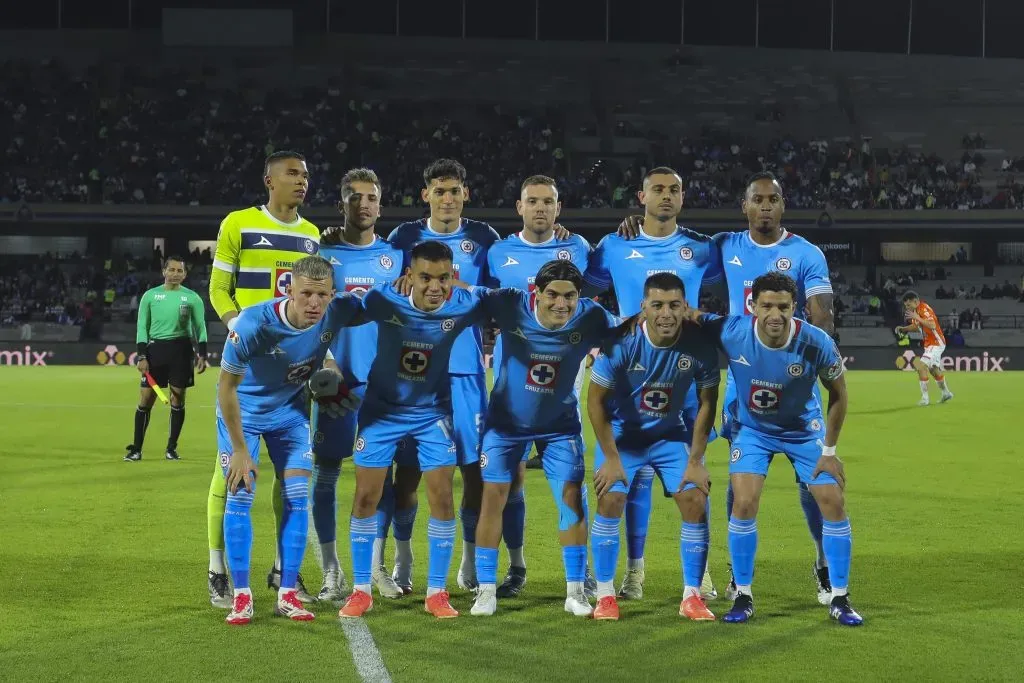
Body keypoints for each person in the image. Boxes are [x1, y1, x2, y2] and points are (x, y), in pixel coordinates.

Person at [584, 166, 721, 601]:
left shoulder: (702, 248)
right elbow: (585, 288)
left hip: (685, 370)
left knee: (694, 478)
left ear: (683, 197)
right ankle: (633, 572)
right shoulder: (614, 244)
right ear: (640, 197)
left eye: (674, 190)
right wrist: (608, 335)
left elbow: (732, 285)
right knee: (632, 479)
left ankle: (699, 577)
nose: (666, 196)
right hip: (633, 373)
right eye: (657, 190)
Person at [339, 240, 493, 620]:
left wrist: (471, 288)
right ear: (409, 276)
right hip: (382, 412)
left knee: (441, 496)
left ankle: (437, 592)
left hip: (432, 414)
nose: (435, 287)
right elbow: (344, 315)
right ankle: (361, 589)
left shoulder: (463, 303)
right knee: (365, 498)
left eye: (444, 278)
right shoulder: (384, 300)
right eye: (425, 277)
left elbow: (511, 302)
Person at [699, 272, 861, 626]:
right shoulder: (733, 331)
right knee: (743, 500)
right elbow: (689, 317)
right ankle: (742, 593)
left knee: (832, 500)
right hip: (753, 429)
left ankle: (840, 596)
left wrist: (829, 452)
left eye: (783, 306)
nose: (775, 314)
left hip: (803, 429)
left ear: (795, 308)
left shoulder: (816, 342)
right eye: (767, 305)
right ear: (752, 306)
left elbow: (839, 394)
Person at [217, 256, 365, 625]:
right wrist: (238, 450)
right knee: (241, 494)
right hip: (244, 415)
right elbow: (226, 390)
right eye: (306, 294)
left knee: (298, 497)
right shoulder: (254, 323)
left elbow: (381, 309)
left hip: (289, 415)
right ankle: (240, 596)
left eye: (322, 295)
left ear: (332, 294)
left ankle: (287, 593)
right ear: (289, 290)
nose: (314, 303)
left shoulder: (336, 312)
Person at [713, 172, 837, 605]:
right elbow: (677, 247)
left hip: (794, 379)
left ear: (783, 205)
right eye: (757, 200)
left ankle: (823, 562)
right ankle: (737, 571)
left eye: (773, 199)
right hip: (743, 380)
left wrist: (814, 363)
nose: (765, 206)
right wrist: (639, 222)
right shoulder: (725, 246)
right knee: (739, 481)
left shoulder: (806, 253)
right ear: (744, 206)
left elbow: (822, 313)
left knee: (813, 483)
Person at [470, 261, 620, 618]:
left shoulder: (592, 317)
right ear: (536, 292)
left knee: (572, 501)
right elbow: (462, 292)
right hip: (506, 424)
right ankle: (486, 590)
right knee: (494, 498)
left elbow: (630, 342)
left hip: (560, 425)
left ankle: (575, 592)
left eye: (570, 296)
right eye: (552, 294)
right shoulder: (509, 304)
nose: (561, 304)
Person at [206, 150, 321, 608]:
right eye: (292, 173)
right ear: (269, 180)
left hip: (291, 377)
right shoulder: (238, 223)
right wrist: (238, 327)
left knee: (291, 481)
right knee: (230, 473)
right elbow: (217, 288)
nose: (302, 181)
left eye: (306, 175)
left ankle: (281, 570)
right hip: (248, 361)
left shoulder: (312, 236)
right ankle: (218, 568)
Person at [385, 159, 500, 595]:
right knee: (409, 473)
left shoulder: (485, 239)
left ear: (465, 194)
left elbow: (500, 291)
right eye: (439, 190)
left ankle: (468, 562)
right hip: (414, 371)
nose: (447, 198)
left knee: (473, 470)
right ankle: (403, 557)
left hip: (467, 371)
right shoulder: (404, 238)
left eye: (455, 190)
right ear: (426, 194)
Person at [483, 175, 594, 598]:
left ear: (559, 208)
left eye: (549, 201)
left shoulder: (579, 248)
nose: (541, 208)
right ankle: (514, 566)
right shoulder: (498, 252)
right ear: (519, 206)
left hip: (563, 383)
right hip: (513, 390)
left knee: (570, 485)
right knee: (507, 485)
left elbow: (593, 299)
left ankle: (578, 577)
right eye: (533, 201)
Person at [314, 168, 404, 602]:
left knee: (380, 479)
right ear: (342, 204)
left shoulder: (396, 257)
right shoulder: (320, 253)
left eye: (371, 197)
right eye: (354, 197)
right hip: (333, 387)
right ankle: (331, 570)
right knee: (327, 476)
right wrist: (325, 369)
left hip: (382, 388)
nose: (363, 204)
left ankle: (373, 567)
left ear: (380, 207)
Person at [125, 256, 208, 462]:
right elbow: (142, 327)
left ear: (185, 274)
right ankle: (136, 449)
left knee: (177, 399)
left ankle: (171, 448)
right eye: (171, 270)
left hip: (181, 350)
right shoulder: (150, 296)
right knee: (145, 400)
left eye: (179, 271)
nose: (175, 274)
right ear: (164, 272)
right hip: (155, 351)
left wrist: (203, 354)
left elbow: (200, 328)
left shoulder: (192, 298)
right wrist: (142, 355)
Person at [895, 291, 953, 406]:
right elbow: (916, 326)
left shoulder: (924, 308)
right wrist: (903, 329)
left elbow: (932, 325)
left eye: (908, 305)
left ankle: (925, 398)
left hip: (936, 343)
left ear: (915, 301)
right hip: (929, 344)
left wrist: (918, 318)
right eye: (906, 306)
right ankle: (946, 393)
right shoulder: (915, 311)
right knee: (933, 370)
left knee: (921, 366)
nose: (907, 308)